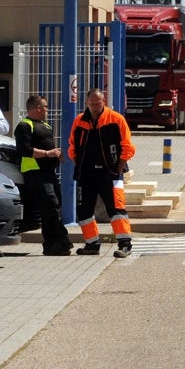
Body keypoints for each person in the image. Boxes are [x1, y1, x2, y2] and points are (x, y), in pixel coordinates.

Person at [68, 89, 136, 258]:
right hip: (87, 175)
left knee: (117, 209)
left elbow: (128, 148)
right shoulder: (79, 122)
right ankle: (91, 244)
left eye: (98, 103)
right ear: (87, 103)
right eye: (92, 104)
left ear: (103, 101)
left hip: (110, 174)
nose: (96, 107)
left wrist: (117, 170)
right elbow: (72, 148)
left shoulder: (116, 119)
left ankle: (125, 244)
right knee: (84, 211)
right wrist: (79, 167)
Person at [14, 94, 73, 256]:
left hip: (49, 172)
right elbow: (24, 150)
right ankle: (61, 239)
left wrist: (56, 156)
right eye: (45, 106)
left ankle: (53, 246)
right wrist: (48, 153)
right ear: (37, 108)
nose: (47, 109)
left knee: (55, 207)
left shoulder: (46, 125)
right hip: (34, 173)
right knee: (51, 206)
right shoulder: (24, 126)